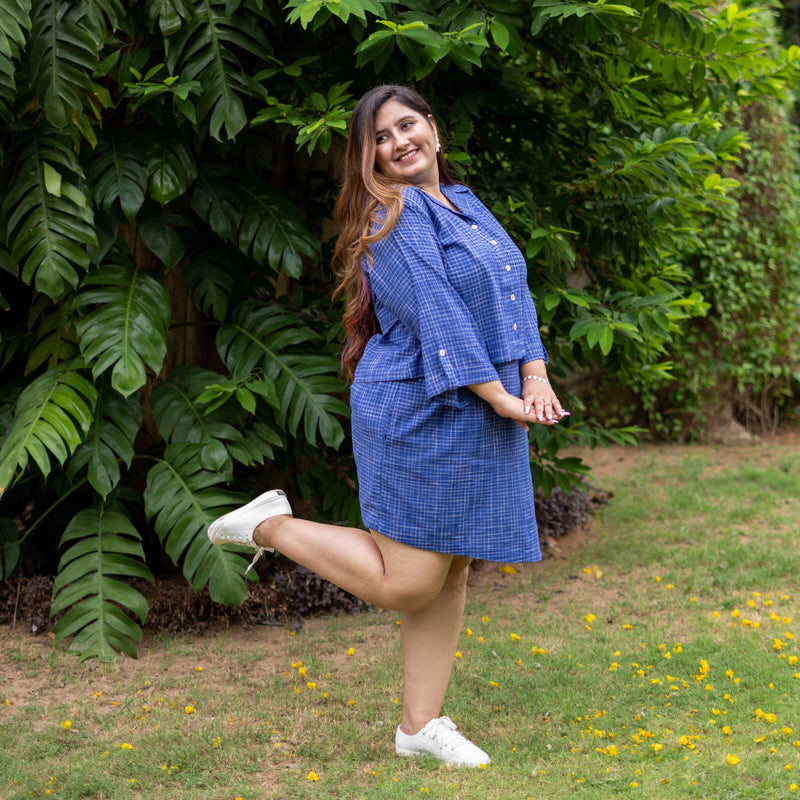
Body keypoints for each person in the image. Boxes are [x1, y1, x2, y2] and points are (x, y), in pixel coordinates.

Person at [208, 84, 568, 768]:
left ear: (433, 127)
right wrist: (500, 396)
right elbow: (438, 314)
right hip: (417, 407)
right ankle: (269, 526)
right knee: (408, 581)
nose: (398, 142)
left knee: (453, 565)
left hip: (479, 399)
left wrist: (536, 373)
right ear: (365, 155)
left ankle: (418, 726)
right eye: (379, 136)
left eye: (407, 125)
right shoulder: (390, 215)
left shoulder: (466, 204)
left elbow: (513, 291)